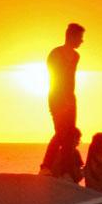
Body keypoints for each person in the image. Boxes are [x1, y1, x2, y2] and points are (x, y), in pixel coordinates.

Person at [40, 23, 85, 174]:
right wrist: (62, 98)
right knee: (61, 132)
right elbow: (55, 77)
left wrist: (69, 99)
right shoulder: (55, 54)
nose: (81, 41)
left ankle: (66, 172)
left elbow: (71, 79)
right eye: (80, 37)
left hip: (70, 97)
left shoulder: (76, 56)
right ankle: (45, 166)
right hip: (57, 97)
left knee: (70, 135)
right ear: (71, 36)